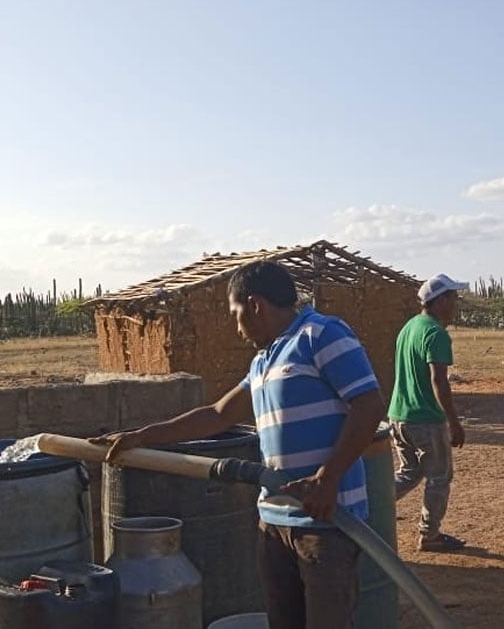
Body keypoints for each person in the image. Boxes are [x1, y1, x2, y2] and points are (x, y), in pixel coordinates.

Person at [91, 260, 385, 629]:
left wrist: (328, 478)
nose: (237, 327)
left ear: (255, 305)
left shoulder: (321, 334)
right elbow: (218, 414)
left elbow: (369, 405)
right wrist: (142, 436)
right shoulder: (262, 361)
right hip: (274, 521)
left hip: (324, 521)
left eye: (235, 315)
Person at [388, 273, 468, 552]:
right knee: (439, 477)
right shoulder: (435, 333)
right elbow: (438, 381)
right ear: (441, 300)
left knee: (409, 472)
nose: (456, 304)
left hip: (399, 415)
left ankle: (369, 508)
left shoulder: (410, 327)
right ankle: (430, 535)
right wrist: (453, 422)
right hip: (424, 419)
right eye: (453, 298)